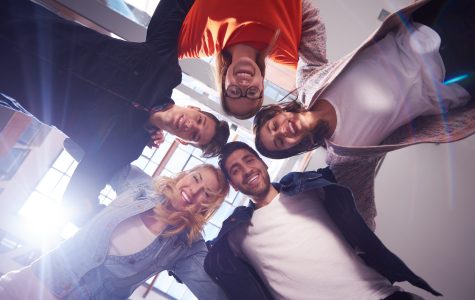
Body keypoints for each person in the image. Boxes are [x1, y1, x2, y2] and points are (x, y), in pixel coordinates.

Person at [253, 0, 475, 229]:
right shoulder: (343, 158)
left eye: (274, 125)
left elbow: (309, 22)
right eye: (280, 142)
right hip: (457, 79)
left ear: (280, 111)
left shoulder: (309, 83)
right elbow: (362, 215)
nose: (283, 131)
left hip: (433, 31)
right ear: (292, 149)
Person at [0, 0, 230, 224]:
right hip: (24, 21)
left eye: (195, 136)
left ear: (183, 141)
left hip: (10, 78)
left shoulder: (124, 147)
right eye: (199, 121)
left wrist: (130, 226)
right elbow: (173, 9)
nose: (191, 126)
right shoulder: (163, 68)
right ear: (194, 108)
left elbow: (77, 201)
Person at [204, 141, 440, 300]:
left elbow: (356, 153)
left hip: (378, 295)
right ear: (233, 184)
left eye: (249, 160)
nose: (246, 170)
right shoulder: (234, 236)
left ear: (263, 162)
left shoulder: (308, 187)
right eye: (235, 170)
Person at [0, 163, 229, 299]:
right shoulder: (142, 186)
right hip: (30, 283)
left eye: (207, 194)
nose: (195, 191)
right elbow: (86, 149)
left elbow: (214, 294)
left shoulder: (187, 246)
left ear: (208, 207)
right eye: (195, 179)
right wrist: (137, 133)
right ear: (184, 175)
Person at [177, 0, 321, 119]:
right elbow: (309, 15)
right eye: (252, 93)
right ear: (262, 87)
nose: (244, 85)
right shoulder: (290, 53)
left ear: (223, 83)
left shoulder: (196, 42)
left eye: (234, 91)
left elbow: (157, 51)